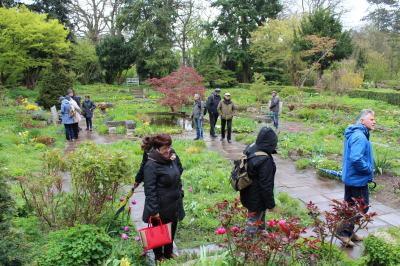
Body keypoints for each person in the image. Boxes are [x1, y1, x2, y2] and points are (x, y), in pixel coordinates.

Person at [142, 134, 185, 262]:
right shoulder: (151, 164)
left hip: (174, 202)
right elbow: (149, 190)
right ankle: (158, 256)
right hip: (160, 205)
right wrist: (154, 211)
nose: (168, 150)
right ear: (156, 149)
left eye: (169, 147)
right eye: (164, 148)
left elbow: (179, 170)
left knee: (172, 228)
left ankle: (169, 252)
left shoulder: (171, 157)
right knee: (159, 231)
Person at [337, 109, 376, 247]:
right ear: (362, 121)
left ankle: (349, 232)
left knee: (350, 206)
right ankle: (343, 233)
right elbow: (356, 158)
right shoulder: (360, 136)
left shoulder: (356, 133)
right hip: (357, 180)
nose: (374, 121)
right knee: (362, 208)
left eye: (374, 119)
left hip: (352, 177)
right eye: (371, 119)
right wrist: (368, 169)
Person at [240, 127, 277, 234]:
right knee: (253, 219)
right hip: (256, 197)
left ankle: (261, 231)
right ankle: (247, 244)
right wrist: (271, 204)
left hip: (247, 191)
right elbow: (266, 186)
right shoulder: (265, 160)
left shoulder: (251, 147)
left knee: (260, 212)